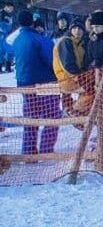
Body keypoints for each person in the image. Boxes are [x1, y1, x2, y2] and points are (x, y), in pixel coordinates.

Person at [8, 9, 60, 156]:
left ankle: (29, 151)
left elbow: (7, 48)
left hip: (24, 83)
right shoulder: (41, 40)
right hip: (46, 83)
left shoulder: (17, 40)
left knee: (31, 117)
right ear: (32, 22)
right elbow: (51, 61)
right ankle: (46, 149)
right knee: (52, 117)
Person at [53, 17, 89, 114]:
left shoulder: (79, 44)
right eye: (74, 28)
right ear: (70, 29)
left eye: (80, 29)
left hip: (73, 78)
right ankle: (75, 110)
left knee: (91, 88)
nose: (77, 31)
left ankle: (73, 109)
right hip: (66, 79)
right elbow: (68, 65)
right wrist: (81, 78)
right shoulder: (65, 41)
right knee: (91, 90)